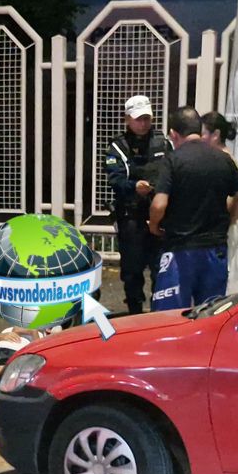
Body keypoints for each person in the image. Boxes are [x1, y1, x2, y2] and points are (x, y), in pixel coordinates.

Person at [146, 107, 238, 311]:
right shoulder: (223, 159)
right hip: (215, 249)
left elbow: (159, 204)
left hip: (180, 251)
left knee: (170, 316)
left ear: (173, 134)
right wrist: (228, 220)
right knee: (210, 313)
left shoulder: (173, 160)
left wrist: (154, 226)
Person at [104, 95, 172, 315]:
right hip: (131, 218)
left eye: (146, 119)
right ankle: (134, 312)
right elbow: (115, 180)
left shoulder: (163, 142)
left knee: (160, 268)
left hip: (159, 216)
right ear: (127, 119)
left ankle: (159, 311)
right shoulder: (118, 146)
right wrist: (134, 186)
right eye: (138, 119)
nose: (143, 124)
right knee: (132, 270)